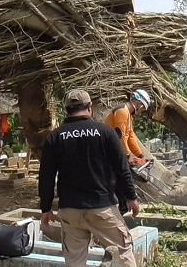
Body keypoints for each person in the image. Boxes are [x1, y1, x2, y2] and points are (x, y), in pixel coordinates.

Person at [39, 89, 140, 267]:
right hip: (102, 208)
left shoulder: (54, 137)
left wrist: (46, 208)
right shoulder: (106, 133)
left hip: (70, 209)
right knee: (123, 251)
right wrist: (131, 197)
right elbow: (122, 168)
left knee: (75, 262)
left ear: (67, 110)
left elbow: (46, 176)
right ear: (90, 107)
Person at [105, 89, 152, 214]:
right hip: (110, 154)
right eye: (142, 109)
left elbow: (130, 137)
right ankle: (121, 209)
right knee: (121, 183)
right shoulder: (122, 111)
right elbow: (119, 138)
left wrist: (141, 156)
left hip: (117, 153)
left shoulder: (128, 115)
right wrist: (128, 156)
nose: (141, 111)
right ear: (139, 104)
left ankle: (123, 207)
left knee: (123, 184)